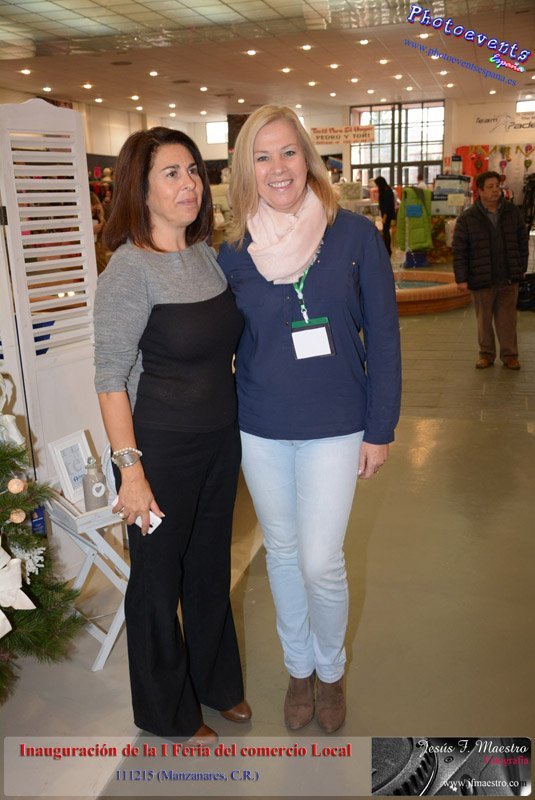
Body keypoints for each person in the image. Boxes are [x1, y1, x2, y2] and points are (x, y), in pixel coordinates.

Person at [218, 106, 401, 734]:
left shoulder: (353, 237)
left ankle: (330, 669)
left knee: (321, 559)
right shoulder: (233, 252)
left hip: (338, 422)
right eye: (262, 156)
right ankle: (299, 669)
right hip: (261, 424)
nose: (278, 167)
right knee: (283, 551)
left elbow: (384, 334)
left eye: (288, 152)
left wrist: (380, 427)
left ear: (308, 159)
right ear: (247, 170)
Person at [93, 127, 251, 742]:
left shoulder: (206, 256)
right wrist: (130, 472)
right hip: (158, 451)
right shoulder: (129, 270)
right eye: (171, 173)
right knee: (157, 582)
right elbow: (110, 378)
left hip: (218, 442)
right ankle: (166, 712)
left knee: (210, 569)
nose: (189, 185)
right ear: (141, 189)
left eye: (193, 171)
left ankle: (217, 684)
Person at [453, 170, 528, 370]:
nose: (495, 190)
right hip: (481, 278)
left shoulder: (512, 212)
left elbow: (522, 241)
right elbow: (459, 250)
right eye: (490, 187)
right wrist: (461, 278)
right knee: (484, 321)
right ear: (480, 191)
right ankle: (486, 354)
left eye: (497, 186)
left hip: (508, 277)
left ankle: (510, 355)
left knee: (508, 320)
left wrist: (521, 267)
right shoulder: (468, 218)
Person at [374, 176, 396, 256]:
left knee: (386, 232)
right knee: (385, 232)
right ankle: (387, 249)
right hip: (386, 214)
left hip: (387, 215)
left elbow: (387, 205)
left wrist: (384, 217)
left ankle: (387, 250)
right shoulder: (387, 189)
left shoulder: (386, 191)